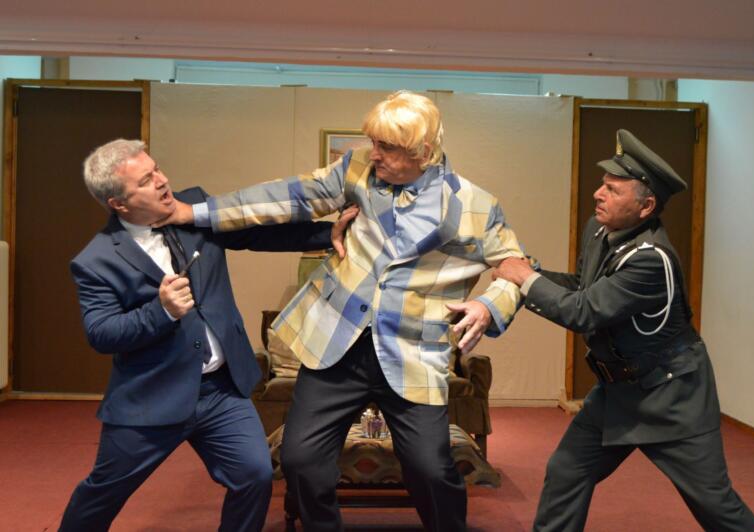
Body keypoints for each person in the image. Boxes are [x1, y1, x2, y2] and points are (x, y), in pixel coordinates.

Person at [159, 91, 526, 531]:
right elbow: (287, 196)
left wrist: (489, 305)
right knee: (300, 459)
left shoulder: (476, 206)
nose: (375, 154)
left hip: (411, 354)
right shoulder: (357, 170)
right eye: (373, 143)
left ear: (423, 152)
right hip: (337, 346)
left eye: (386, 146)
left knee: (430, 468)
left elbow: (517, 267)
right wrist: (196, 212)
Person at [59, 139, 352, 532]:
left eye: (156, 169)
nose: (162, 180)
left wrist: (327, 234)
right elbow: (102, 333)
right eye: (145, 181)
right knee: (103, 493)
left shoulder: (193, 207)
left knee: (254, 475)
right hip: (153, 397)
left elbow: (257, 234)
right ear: (119, 204)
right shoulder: (96, 260)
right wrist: (161, 311)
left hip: (221, 392)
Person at [494, 129, 754, 531]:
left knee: (714, 504)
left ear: (645, 206)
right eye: (602, 184)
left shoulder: (651, 259)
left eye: (613, 190)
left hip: (671, 398)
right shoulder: (599, 230)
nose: (598, 194)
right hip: (618, 390)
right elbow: (584, 288)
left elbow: (584, 312)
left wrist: (526, 279)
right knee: (567, 471)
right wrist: (529, 276)